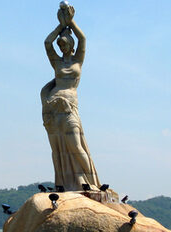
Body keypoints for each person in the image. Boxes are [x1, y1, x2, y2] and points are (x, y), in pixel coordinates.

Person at [41, 4, 101, 191]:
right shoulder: (57, 61)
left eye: (65, 43)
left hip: (69, 109)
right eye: (61, 44)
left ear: (71, 44)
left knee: (75, 145)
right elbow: (47, 43)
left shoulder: (78, 60)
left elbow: (83, 38)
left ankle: (91, 183)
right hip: (53, 109)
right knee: (57, 150)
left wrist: (70, 22)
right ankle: (63, 184)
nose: (62, 46)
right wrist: (60, 26)